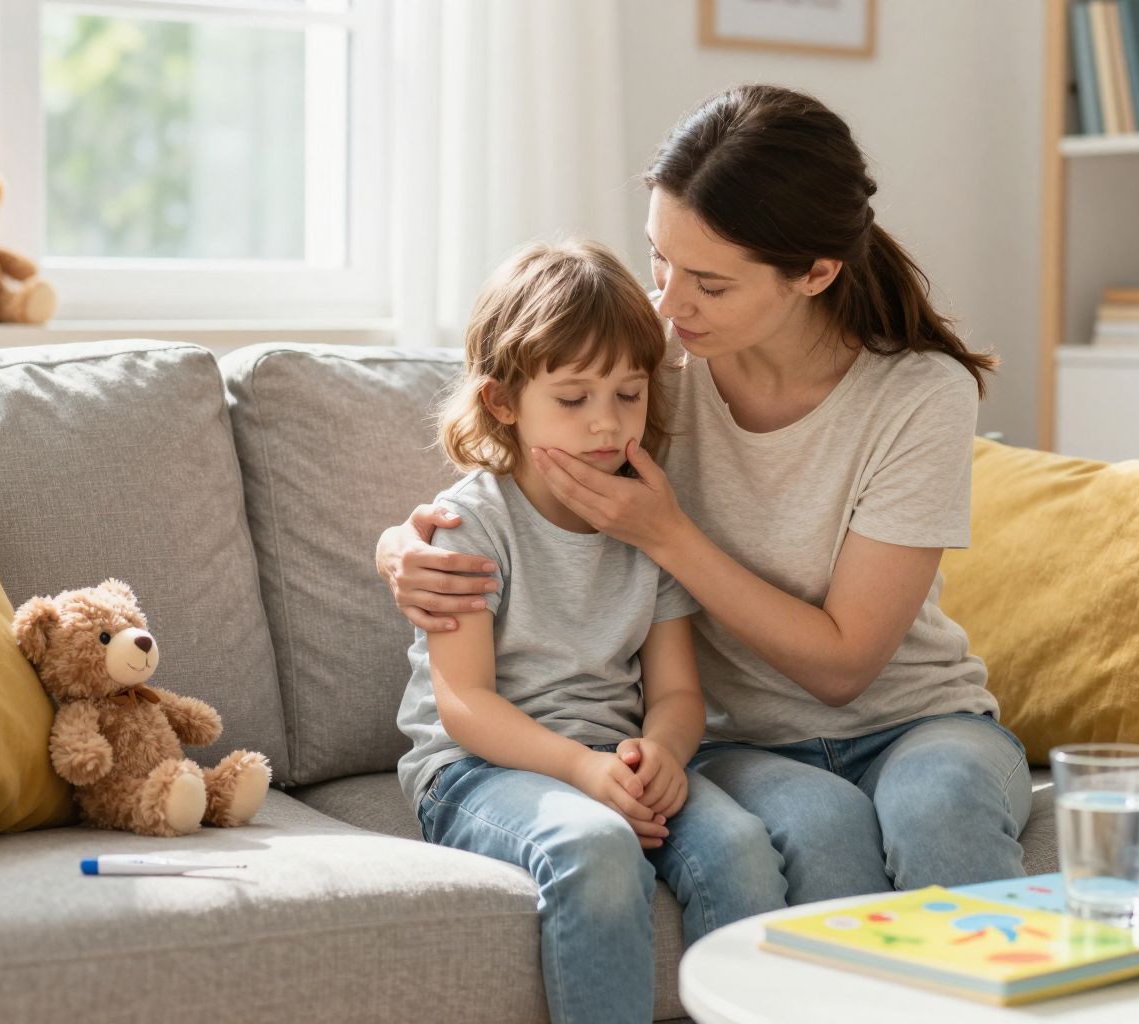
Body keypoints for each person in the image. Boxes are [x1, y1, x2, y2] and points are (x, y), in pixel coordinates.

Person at [380, 85, 1033, 908]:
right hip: (738, 743)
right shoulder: (646, 368)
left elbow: (843, 667)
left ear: (817, 272)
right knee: (818, 832)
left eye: (710, 283)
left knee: (937, 806)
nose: (668, 303)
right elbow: (507, 436)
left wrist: (668, 534)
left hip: (919, 723)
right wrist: (402, 547)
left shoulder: (917, 394)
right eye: (660, 258)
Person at [396, 239, 788, 1024]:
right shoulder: (470, 523)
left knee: (742, 848)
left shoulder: (649, 518)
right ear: (505, 402)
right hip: (477, 770)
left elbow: (677, 689)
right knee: (596, 847)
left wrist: (664, 756)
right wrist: (583, 772)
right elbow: (464, 703)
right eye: (573, 400)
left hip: (613, 761)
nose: (606, 426)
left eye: (629, 395)